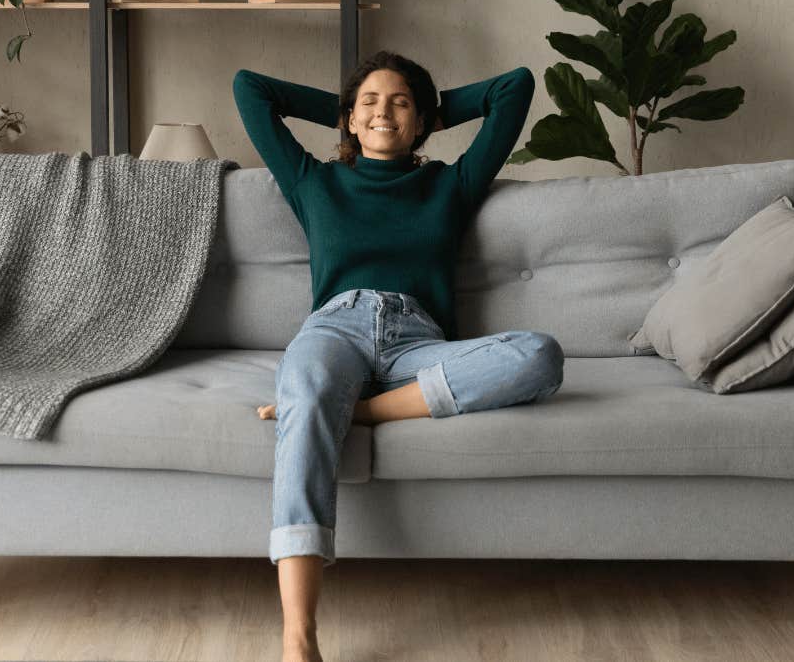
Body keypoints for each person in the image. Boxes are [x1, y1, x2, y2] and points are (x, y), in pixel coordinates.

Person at [232, 50, 564, 662]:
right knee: (306, 393)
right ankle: (298, 639)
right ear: (349, 122)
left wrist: (429, 109)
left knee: (540, 355)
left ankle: (359, 411)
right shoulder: (314, 181)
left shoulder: (450, 184)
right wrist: (347, 109)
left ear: (422, 124)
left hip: (420, 341)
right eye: (370, 103)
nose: (384, 111)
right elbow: (251, 86)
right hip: (336, 328)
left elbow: (514, 87)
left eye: (401, 103)